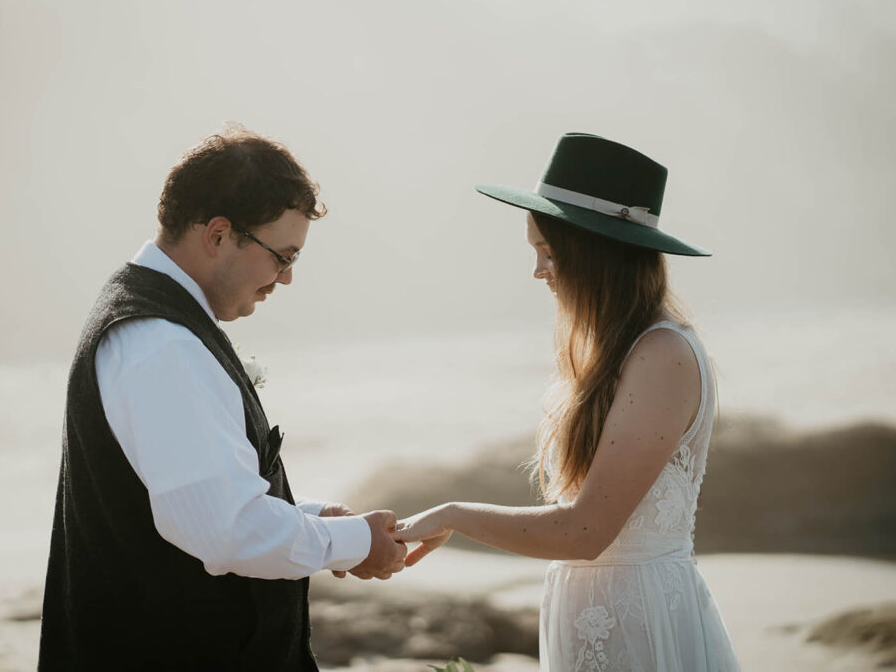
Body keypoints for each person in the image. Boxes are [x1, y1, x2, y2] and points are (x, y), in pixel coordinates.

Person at [38, 123, 407, 671]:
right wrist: (352, 541)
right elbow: (227, 532)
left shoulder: (155, 323)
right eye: (283, 256)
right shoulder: (159, 344)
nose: (284, 279)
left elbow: (192, 502)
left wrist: (311, 519)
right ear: (217, 235)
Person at [393, 133, 741, 671]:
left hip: (643, 627)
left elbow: (584, 531)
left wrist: (456, 515)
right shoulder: (610, 355)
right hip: (589, 618)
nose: (538, 271)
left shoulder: (663, 353)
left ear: (595, 251)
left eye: (548, 252)